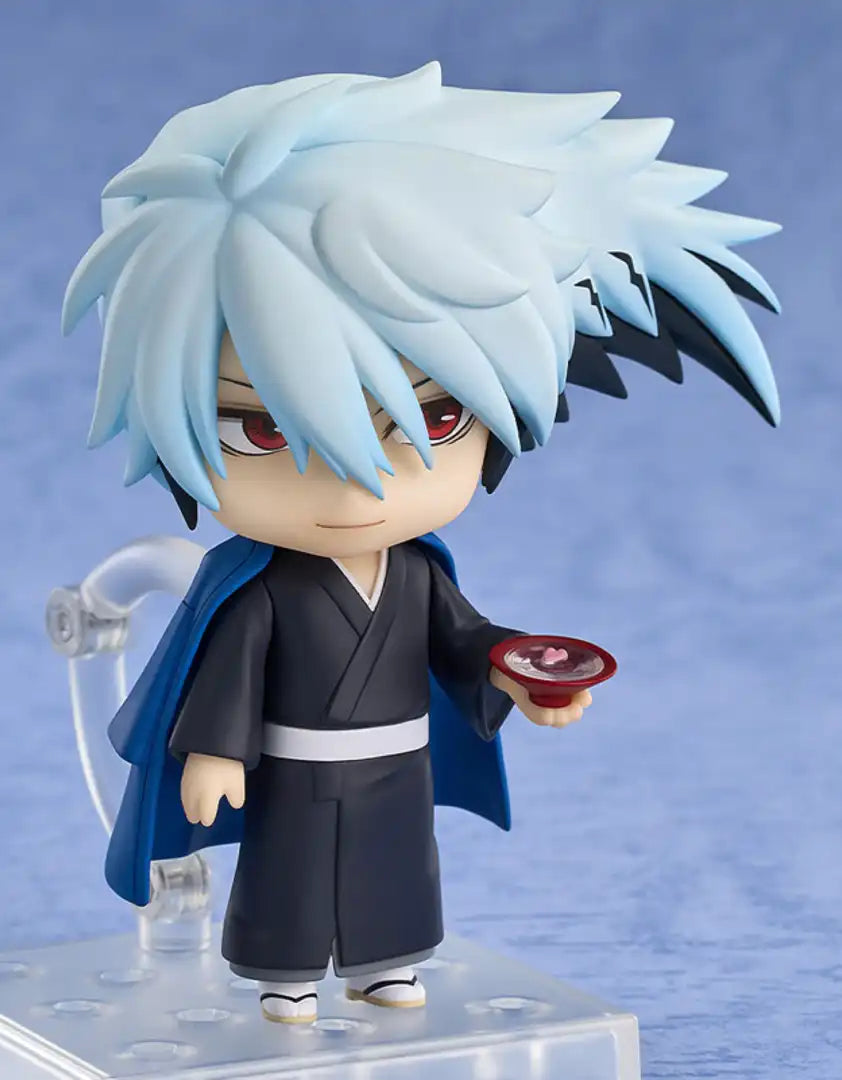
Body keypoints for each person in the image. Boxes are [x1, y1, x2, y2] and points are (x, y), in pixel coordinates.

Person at [62, 62, 779, 1023]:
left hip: (396, 766)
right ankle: (284, 974)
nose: (356, 486)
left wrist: (519, 673)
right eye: (263, 430)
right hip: (296, 766)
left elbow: (461, 640)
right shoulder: (254, 589)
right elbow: (227, 671)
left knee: (396, 870)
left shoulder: (416, 570)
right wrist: (215, 752)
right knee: (290, 873)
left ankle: (385, 963)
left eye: (437, 420)